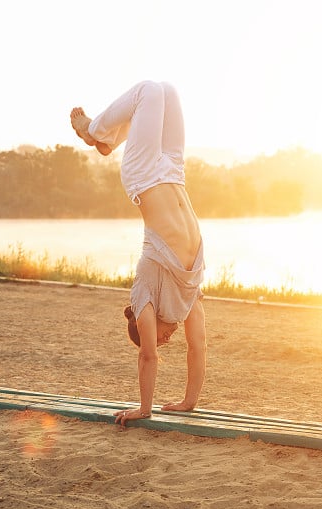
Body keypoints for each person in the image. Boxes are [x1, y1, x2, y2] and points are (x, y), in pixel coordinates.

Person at [70, 81, 206, 427]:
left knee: (148, 90)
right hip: (173, 174)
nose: (165, 339)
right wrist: (189, 401)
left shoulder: (144, 291)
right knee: (169, 91)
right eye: (164, 340)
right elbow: (198, 346)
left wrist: (144, 409)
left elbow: (147, 356)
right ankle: (109, 141)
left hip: (143, 177)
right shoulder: (186, 296)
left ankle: (94, 131)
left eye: (160, 336)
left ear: (141, 322)